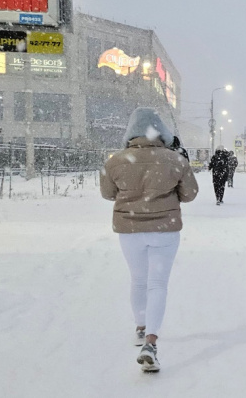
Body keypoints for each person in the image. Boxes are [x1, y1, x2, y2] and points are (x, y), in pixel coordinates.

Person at [100, 108, 198, 373]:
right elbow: (190, 194)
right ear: (161, 131)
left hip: (130, 229)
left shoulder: (116, 161)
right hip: (164, 230)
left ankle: (141, 327)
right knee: (157, 284)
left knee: (138, 280)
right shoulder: (175, 160)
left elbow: (108, 194)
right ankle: (151, 343)